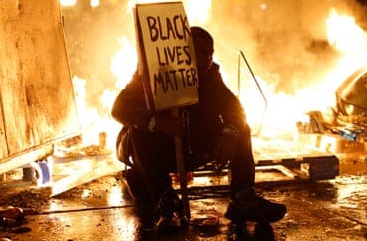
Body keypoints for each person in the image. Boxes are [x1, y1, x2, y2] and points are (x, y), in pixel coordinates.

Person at [111, 26, 286, 233]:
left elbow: (235, 108)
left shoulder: (210, 76)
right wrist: (156, 122)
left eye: (210, 53)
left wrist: (229, 132)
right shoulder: (152, 74)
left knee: (240, 128)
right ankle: (165, 203)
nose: (207, 59)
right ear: (183, 52)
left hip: (191, 147)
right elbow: (119, 107)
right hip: (155, 154)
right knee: (139, 133)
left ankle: (243, 197)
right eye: (200, 53)